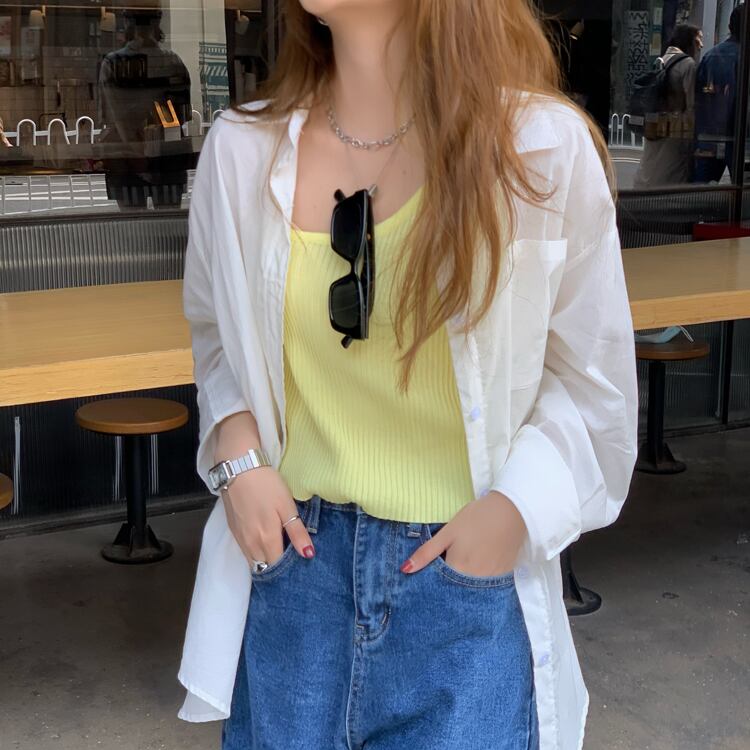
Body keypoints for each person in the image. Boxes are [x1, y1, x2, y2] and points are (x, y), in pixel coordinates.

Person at [179, 2, 638, 749]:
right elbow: (215, 332)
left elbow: (593, 383)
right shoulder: (241, 152)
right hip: (293, 573)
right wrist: (237, 450)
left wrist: (511, 515)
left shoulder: (537, 150)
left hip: (459, 590)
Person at [97, 7, 191, 209]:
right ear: (157, 24)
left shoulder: (112, 63)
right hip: (166, 157)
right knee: (169, 220)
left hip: (125, 159)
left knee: (133, 220)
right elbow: (181, 117)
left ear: (127, 24)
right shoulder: (173, 62)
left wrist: (135, 150)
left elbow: (114, 117)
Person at [633, 24, 703, 188]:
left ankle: (643, 190)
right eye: (698, 39)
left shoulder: (663, 59)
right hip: (676, 128)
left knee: (652, 162)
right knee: (672, 170)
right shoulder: (688, 64)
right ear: (688, 40)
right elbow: (691, 104)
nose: (701, 45)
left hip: (655, 121)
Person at [694, 3, 745, 183]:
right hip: (740, 139)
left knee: (701, 191)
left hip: (709, 136)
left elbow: (698, 97)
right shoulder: (744, 56)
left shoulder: (711, 56)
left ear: (730, 26)